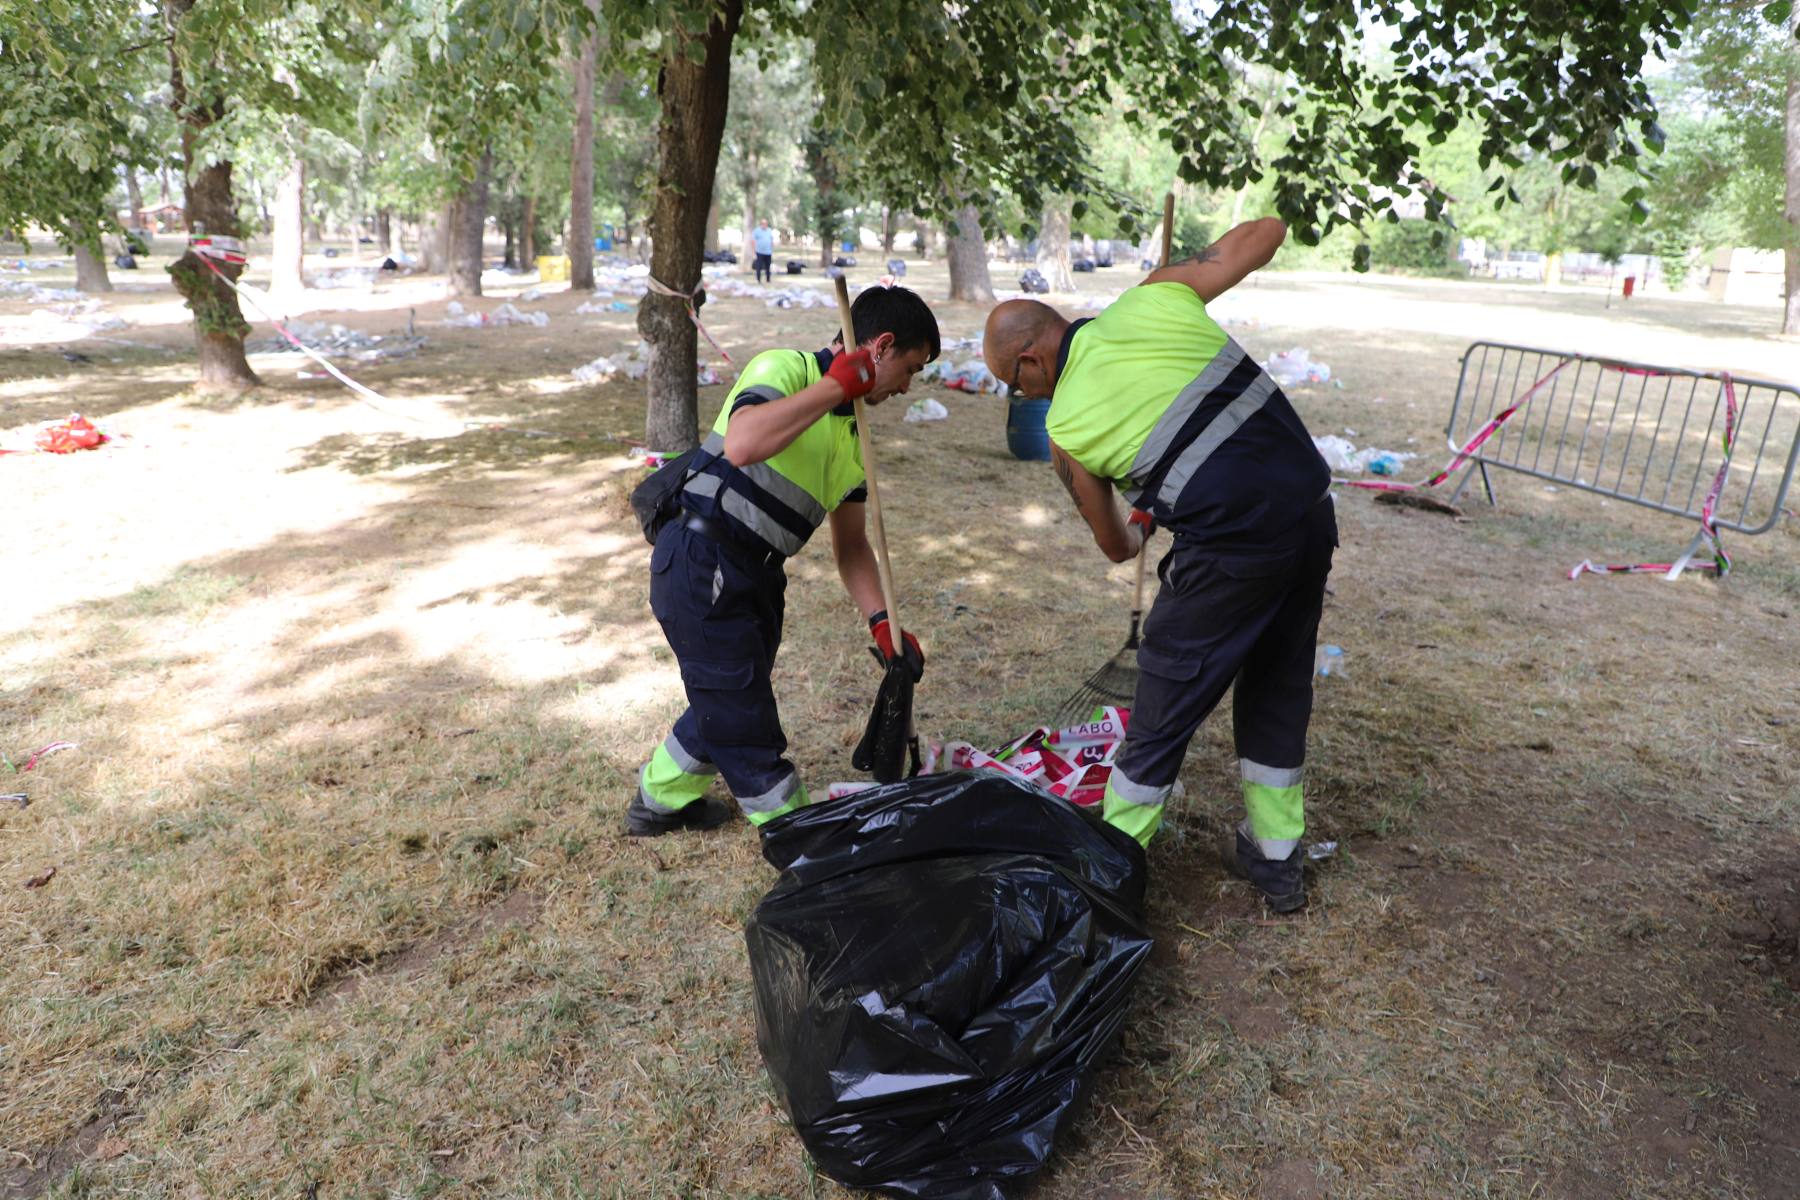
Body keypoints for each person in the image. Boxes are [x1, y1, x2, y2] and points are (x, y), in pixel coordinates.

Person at [982, 217, 1334, 912]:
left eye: (1016, 388)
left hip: (1231, 551)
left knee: (1162, 707)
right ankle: (1277, 857)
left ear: (1030, 362)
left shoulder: (1065, 432)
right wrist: (1177, 272)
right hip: (1309, 513)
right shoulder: (1155, 297)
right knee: (1276, 684)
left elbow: (1118, 547)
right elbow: (1264, 233)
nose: (1028, 400)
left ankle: (1111, 872)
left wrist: (1143, 514)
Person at [630, 285, 940, 837]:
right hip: (703, 561)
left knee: (731, 691)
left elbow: (852, 549)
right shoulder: (786, 368)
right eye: (910, 368)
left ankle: (659, 798)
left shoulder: (855, 439)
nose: (908, 387)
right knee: (742, 715)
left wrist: (883, 621)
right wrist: (832, 388)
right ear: (881, 347)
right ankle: (798, 834)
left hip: (758, 574)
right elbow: (745, 443)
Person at [752, 219, 776, 284]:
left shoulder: (769, 230)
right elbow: (753, 241)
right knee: (759, 266)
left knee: (768, 266)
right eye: (763, 223)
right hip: (759, 251)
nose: (764, 225)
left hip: (768, 252)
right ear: (761, 224)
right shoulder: (757, 231)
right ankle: (758, 279)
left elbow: (771, 239)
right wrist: (754, 250)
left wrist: (772, 247)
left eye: (765, 223)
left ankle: (768, 279)